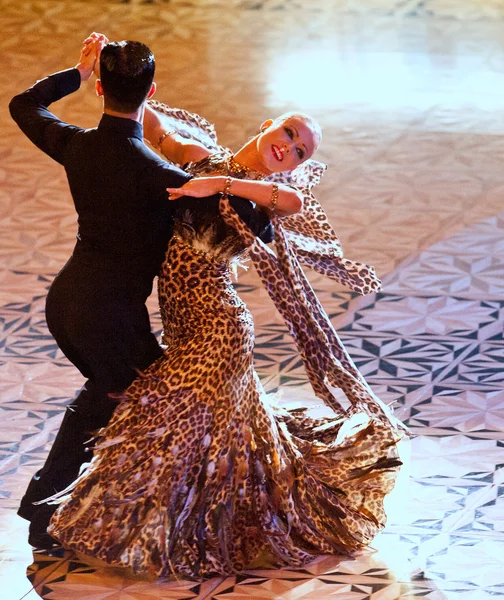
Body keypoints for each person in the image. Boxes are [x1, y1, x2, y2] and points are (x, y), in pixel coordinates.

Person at [46, 77, 407, 578]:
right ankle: (208, 524)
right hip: (185, 325)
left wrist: (222, 185)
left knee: (154, 413)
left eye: (300, 152)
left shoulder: (269, 194)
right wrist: (111, 83)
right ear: (268, 125)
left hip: (219, 330)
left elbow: (292, 203)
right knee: (225, 441)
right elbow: (150, 126)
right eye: (288, 133)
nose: (289, 149)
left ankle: (112, 525)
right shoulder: (202, 154)